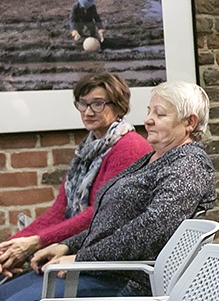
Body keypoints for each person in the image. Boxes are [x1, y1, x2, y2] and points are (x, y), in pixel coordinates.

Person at [0, 81, 216, 301]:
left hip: (131, 284)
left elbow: (150, 230)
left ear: (189, 123)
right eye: (149, 111)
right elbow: (110, 221)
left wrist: (82, 259)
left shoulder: (189, 164)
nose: (148, 119)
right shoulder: (154, 158)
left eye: (160, 114)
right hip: (103, 271)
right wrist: (68, 245)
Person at [0, 74, 150, 277]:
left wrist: (36, 242)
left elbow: (98, 214)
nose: (88, 112)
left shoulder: (130, 147)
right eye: (83, 103)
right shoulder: (88, 150)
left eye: (98, 104)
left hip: (105, 264)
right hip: (71, 253)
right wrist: (10, 249)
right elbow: (59, 210)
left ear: (119, 107)